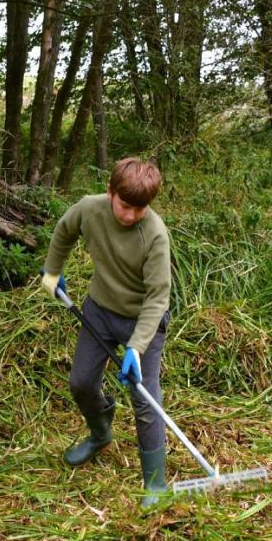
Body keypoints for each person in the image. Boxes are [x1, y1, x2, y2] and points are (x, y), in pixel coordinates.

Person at [39, 157, 172, 508]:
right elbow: (64, 231)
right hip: (99, 310)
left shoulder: (155, 235)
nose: (130, 215)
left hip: (142, 320)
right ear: (111, 192)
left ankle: (155, 484)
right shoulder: (89, 209)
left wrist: (136, 348)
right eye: (125, 205)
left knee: (145, 399)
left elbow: (158, 298)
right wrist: (52, 272)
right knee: (81, 383)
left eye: (139, 208)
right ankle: (100, 433)